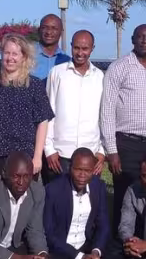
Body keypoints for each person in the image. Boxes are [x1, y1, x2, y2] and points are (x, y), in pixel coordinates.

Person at [101, 24, 146, 223]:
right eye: (141, 36)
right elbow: (107, 110)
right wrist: (112, 151)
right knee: (125, 196)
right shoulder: (119, 67)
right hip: (127, 144)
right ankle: (120, 244)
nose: (145, 40)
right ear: (133, 39)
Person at [43, 148, 114, 259]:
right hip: (62, 247)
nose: (82, 175)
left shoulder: (98, 186)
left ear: (93, 170)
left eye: (87, 171)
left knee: (114, 255)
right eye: (78, 169)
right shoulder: (53, 190)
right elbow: (49, 234)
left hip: (85, 243)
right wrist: (80, 257)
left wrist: (95, 252)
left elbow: (103, 224)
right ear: (70, 168)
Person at [0, 34, 54, 177]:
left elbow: (43, 122)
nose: (10, 58)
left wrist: (37, 157)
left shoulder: (35, 85)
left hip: (25, 157)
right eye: (7, 53)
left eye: (15, 54)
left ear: (23, 57)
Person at [44, 30, 104, 182]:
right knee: (58, 202)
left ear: (92, 48)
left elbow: (103, 116)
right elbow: (48, 112)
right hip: (60, 154)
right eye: (76, 48)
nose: (80, 53)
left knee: (88, 203)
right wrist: (49, 149)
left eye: (85, 49)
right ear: (71, 46)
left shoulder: (100, 77)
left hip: (90, 154)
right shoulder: (57, 73)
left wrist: (102, 151)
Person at [34, 13, 71, 81]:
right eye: (45, 27)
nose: (49, 32)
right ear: (39, 30)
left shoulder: (67, 61)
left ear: (61, 32)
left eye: (54, 28)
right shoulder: (26, 54)